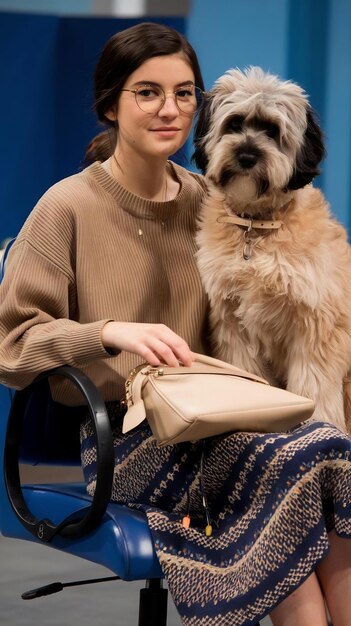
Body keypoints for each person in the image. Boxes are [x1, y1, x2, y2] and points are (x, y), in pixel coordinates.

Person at [0, 21, 350, 626]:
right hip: (126, 437)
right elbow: (11, 344)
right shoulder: (66, 207)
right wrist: (107, 332)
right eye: (148, 92)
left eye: (185, 93)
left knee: (331, 456)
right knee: (299, 463)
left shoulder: (212, 199)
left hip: (224, 423)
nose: (170, 109)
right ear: (111, 104)